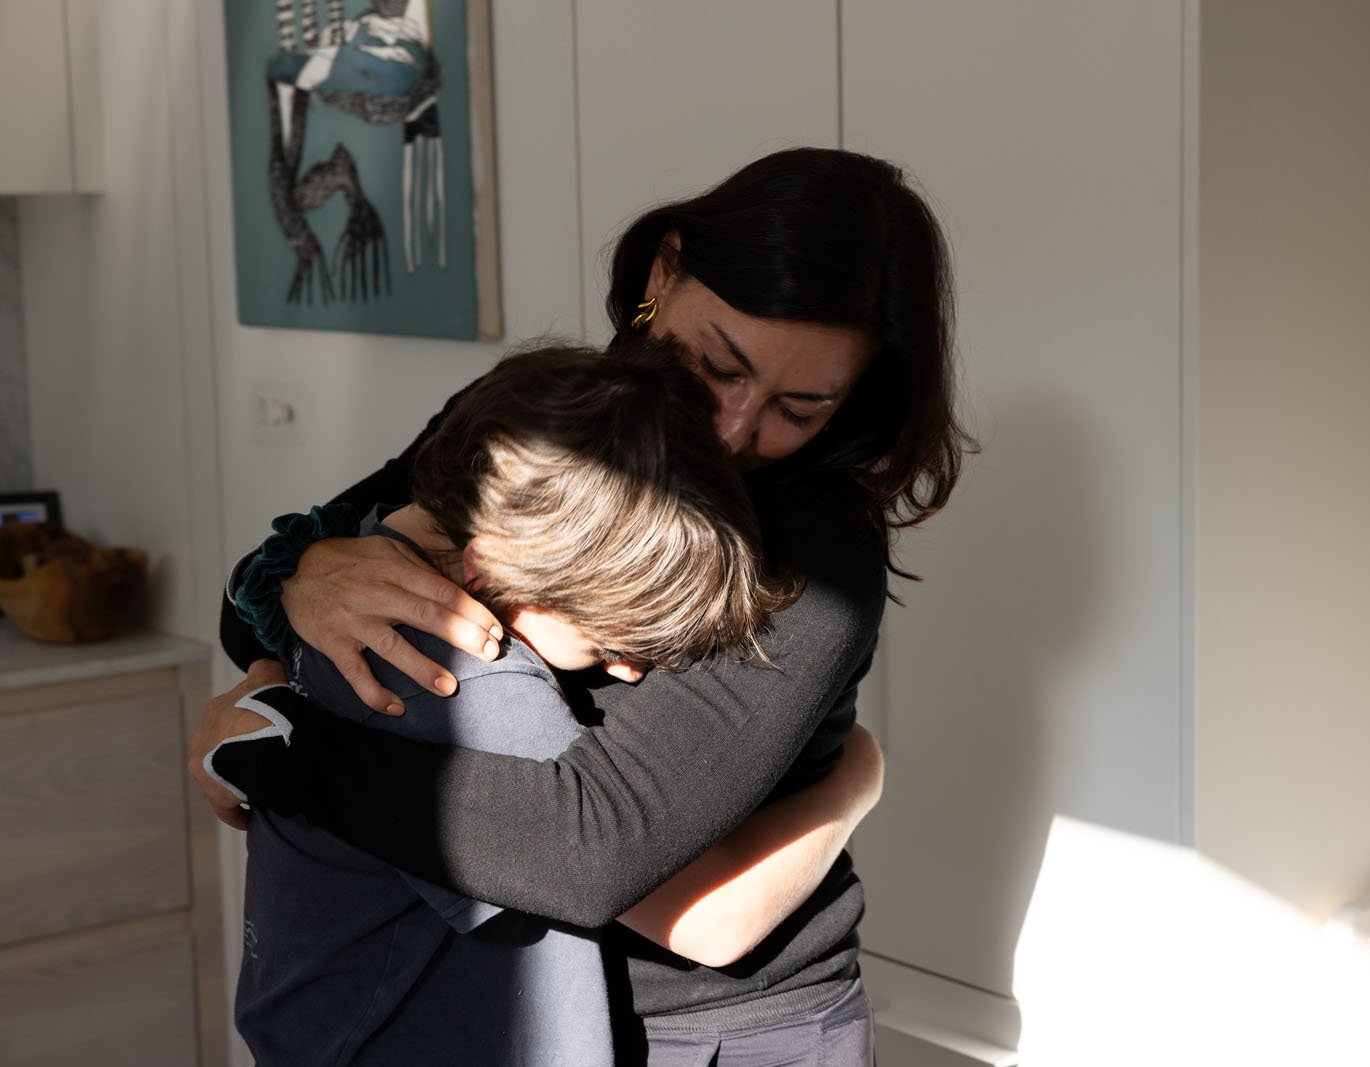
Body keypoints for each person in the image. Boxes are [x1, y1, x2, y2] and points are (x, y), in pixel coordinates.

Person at [191, 146, 971, 1065]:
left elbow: (591, 853)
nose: (733, 430)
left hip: (721, 1031)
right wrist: (304, 579)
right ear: (664, 271)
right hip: (502, 992)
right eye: (716, 363)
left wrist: (279, 746)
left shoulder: (818, 546)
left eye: (797, 409)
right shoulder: (555, 417)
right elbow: (261, 599)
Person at [219, 339, 800, 1065]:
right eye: (608, 642)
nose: (629, 673)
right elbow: (694, 912)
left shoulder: (345, 577)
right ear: (490, 571)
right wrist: (861, 771)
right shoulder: (476, 692)